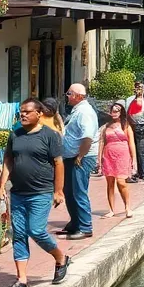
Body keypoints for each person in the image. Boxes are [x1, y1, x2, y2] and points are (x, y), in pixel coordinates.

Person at [0, 99, 70, 287]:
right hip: (19, 193)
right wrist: (1, 186)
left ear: (39, 114)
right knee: (19, 234)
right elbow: (8, 160)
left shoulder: (50, 135)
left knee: (36, 230)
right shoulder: (15, 134)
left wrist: (58, 191)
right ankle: (21, 279)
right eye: (21, 112)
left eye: (27, 112)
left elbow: (59, 164)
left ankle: (61, 258)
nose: (23, 115)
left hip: (41, 192)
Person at [60, 83, 98, 241]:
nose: (66, 96)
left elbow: (87, 137)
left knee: (78, 192)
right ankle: (75, 222)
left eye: (69, 93)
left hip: (81, 158)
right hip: (71, 156)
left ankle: (85, 226)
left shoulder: (85, 112)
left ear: (78, 96)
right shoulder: (77, 110)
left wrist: (80, 156)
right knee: (69, 191)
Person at [98, 103, 136, 218]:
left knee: (121, 182)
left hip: (122, 156)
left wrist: (134, 159)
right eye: (113, 111)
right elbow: (102, 143)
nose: (114, 113)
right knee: (110, 183)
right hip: (109, 155)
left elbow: (131, 143)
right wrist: (99, 159)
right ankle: (111, 209)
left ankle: (127, 207)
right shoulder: (106, 127)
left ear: (121, 113)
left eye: (117, 111)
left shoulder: (126, 126)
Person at [124, 82, 144, 183]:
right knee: (136, 150)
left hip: (141, 127)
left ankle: (143, 173)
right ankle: (139, 172)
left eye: (139, 88)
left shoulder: (142, 101)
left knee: (140, 151)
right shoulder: (134, 100)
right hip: (136, 126)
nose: (138, 90)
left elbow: (133, 114)